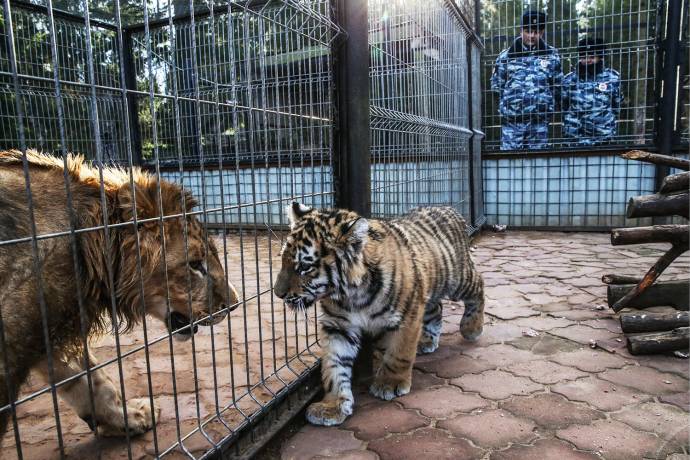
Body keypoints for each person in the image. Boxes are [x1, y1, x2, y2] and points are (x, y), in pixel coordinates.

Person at [491, 10, 563, 150]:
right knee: (510, 165)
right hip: (512, 124)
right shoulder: (506, 57)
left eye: (537, 32)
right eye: (528, 31)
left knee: (538, 164)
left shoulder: (551, 56)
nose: (532, 35)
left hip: (539, 124)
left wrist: (547, 109)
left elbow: (558, 86)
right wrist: (507, 108)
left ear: (542, 32)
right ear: (521, 30)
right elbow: (496, 86)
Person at [562, 37, 623, 145]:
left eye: (592, 57)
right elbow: (563, 105)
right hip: (575, 137)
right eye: (584, 57)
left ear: (600, 58)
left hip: (603, 135)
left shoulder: (612, 78)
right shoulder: (569, 80)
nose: (587, 60)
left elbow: (617, 105)